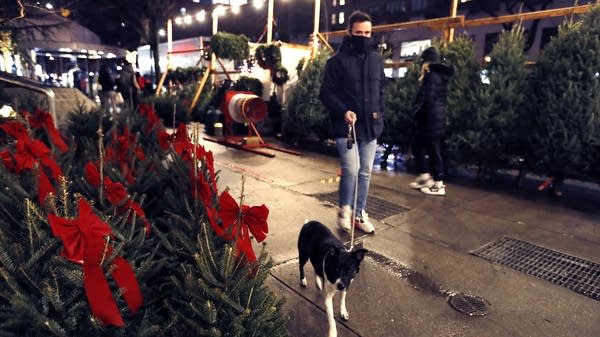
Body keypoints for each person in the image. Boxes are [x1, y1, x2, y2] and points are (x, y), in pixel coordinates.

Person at [319, 11, 385, 234]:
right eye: (359, 33)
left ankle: (359, 213)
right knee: (351, 169)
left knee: (365, 171)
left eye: (367, 33)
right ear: (349, 32)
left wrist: (380, 115)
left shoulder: (376, 60)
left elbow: (381, 91)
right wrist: (343, 111)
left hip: (371, 126)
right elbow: (326, 93)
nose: (364, 37)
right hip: (345, 127)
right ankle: (345, 209)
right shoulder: (336, 61)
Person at [408, 46, 454, 196]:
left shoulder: (431, 76)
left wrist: (417, 112)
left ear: (426, 62)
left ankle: (438, 184)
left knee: (433, 150)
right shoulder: (438, 76)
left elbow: (428, 99)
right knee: (419, 145)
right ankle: (425, 176)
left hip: (430, 119)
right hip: (435, 118)